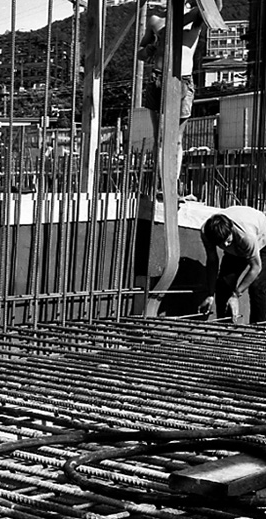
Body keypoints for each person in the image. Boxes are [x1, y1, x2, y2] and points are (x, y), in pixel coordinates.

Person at [137, 0, 223, 192]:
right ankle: (160, 182)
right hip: (159, 77)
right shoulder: (156, 21)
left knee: (176, 138)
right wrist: (147, 50)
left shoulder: (195, 17)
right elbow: (140, 53)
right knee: (159, 136)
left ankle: (172, 182)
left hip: (183, 79)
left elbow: (215, 8)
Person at [199, 206, 266, 323]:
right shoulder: (206, 232)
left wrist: (236, 295)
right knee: (224, 283)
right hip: (238, 242)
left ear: (231, 230)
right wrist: (210, 294)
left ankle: (259, 330)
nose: (225, 245)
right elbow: (212, 261)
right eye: (222, 243)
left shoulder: (246, 236)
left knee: (257, 287)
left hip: (262, 237)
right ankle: (225, 326)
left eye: (227, 240)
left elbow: (256, 267)